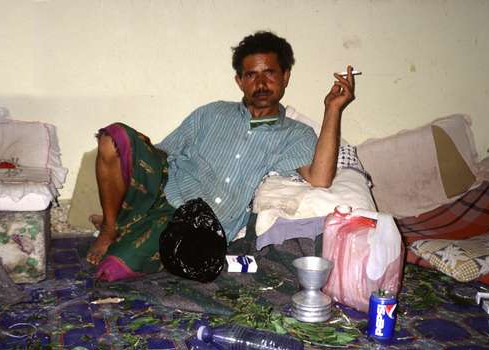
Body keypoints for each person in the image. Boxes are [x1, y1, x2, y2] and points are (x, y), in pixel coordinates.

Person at [87, 31, 356, 281]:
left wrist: (333, 110)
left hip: (198, 225)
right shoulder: (212, 113)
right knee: (114, 139)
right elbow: (163, 153)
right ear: (239, 81)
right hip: (166, 187)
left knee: (113, 269)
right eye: (251, 75)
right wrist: (139, 146)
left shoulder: (295, 134)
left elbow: (320, 179)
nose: (261, 83)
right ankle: (111, 227)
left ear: (285, 76)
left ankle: (128, 223)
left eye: (270, 73)